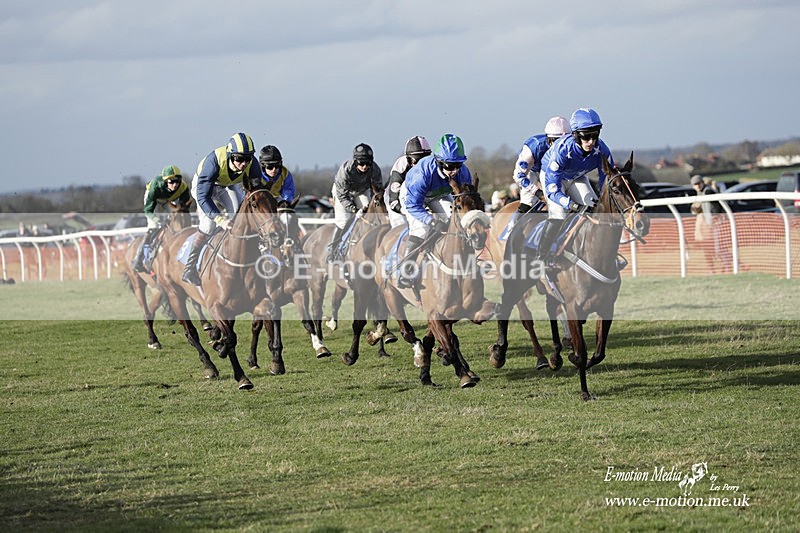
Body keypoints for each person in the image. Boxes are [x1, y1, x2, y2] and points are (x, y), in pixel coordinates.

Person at [182, 132, 265, 285]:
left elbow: (256, 193)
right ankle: (190, 267)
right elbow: (203, 197)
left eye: (247, 158)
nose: (244, 163)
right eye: (239, 158)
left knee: (239, 217)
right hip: (204, 187)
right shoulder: (213, 162)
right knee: (208, 225)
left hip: (228, 185)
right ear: (231, 155)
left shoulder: (253, 164)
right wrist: (220, 220)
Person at [537, 108, 615, 269]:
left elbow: (606, 182)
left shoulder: (602, 150)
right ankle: (541, 257)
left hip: (576, 177)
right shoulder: (562, 150)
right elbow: (552, 190)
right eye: (586, 136)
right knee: (559, 214)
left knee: (596, 209)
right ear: (575, 135)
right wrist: (571, 204)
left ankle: (605, 256)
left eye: (595, 135)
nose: (591, 141)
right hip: (553, 179)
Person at [396, 133, 473, 288]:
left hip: (439, 194)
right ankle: (405, 272)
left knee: (456, 222)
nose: (454, 171)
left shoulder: (463, 173)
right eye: (450, 166)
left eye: (458, 165)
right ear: (439, 162)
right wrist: (431, 221)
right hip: (412, 197)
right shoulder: (421, 175)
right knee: (421, 229)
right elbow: (413, 206)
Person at [327, 143, 383, 261]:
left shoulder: (375, 169)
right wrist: (354, 209)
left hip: (361, 190)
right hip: (343, 192)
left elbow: (378, 191)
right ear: (355, 161)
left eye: (368, 163)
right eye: (361, 163)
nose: (365, 167)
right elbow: (342, 196)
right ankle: (333, 250)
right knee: (344, 221)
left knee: (369, 216)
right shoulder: (345, 170)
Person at [131, 165, 191, 273]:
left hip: (169, 200)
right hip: (154, 200)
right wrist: (156, 219)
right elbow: (148, 210)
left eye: (177, 181)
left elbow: (183, 207)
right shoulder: (156, 186)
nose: (175, 184)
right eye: (171, 182)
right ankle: (138, 259)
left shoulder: (183, 187)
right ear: (166, 181)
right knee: (153, 226)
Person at [385, 136, 432, 227]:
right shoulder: (401, 166)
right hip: (395, 199)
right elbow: (394, 202)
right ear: (409, 160)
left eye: (425, 160)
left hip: (418, 198)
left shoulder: (431, 166)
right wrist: (406, 211)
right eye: (418, 161)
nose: (422, 165)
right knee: (401, 224)